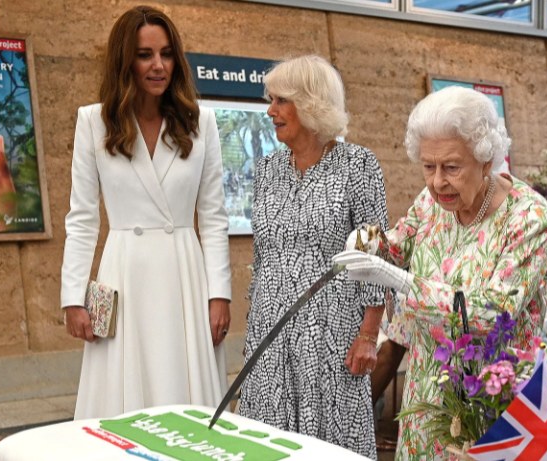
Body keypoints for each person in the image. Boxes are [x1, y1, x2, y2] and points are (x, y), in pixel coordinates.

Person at [334, 86, 547, 459]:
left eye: (451, 167)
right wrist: (368, 241)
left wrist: (401, 281)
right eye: (428, 166)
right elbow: (398, 243)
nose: (437, 182)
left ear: (486, 160)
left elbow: (491, 312)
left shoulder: (528, 216)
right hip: (426, 394)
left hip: (491, 399)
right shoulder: (431, 203)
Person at [60, 5, 231, 419]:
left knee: (187, 396)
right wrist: (73, 297)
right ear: (125, 61)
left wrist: (218, 294)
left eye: (167, 53)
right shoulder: (93, 122)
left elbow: (213, 217)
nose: (159, 65)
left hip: (185, 275)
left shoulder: (200, 122)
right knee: (122, 402)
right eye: (145, 55)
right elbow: (82, 219)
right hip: (124, 273)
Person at [239, 55, 388, 459]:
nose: (271, 111)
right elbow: (264, 251)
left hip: (332, 335)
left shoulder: (359, 165)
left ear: (311, 103)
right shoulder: (268, 169)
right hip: (270, 331)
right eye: (271, 101)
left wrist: (369, 335)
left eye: (280, 101)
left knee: (331, 445)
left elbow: (374, 254)